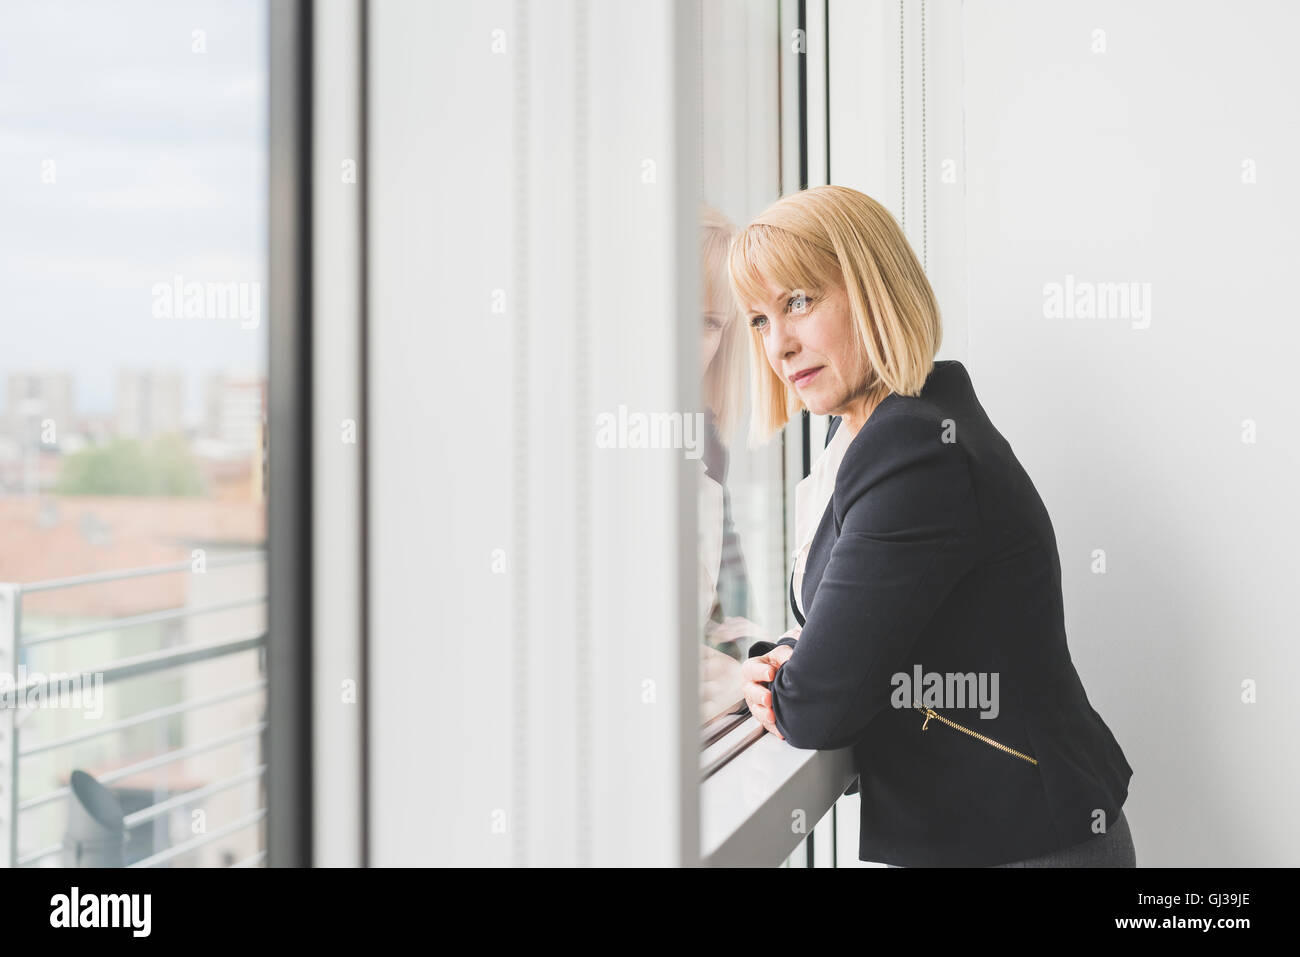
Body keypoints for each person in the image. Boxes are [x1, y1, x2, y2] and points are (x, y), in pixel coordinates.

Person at [731, 185, 1135, 867]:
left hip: (1024, 846)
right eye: (760, 320)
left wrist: (787, 678)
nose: (780, 344)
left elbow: (820, 707)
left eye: (799, 301)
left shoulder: (915, 452)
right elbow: (856, 633)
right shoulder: (879, 434)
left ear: (873, 289)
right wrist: (790, 656)